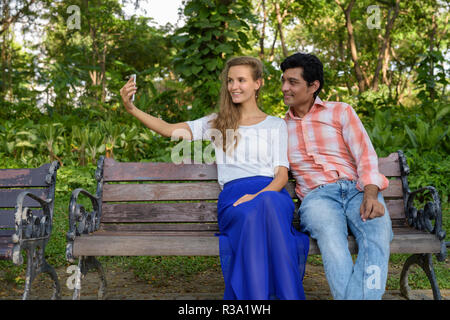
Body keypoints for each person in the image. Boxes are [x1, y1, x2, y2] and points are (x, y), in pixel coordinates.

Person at [119, 56, 309, 300]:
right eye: (230, 81)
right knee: (255, 213)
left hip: (271, 193)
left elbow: (281, 176)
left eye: (241, 80)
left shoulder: (275, 125)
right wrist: (131, 108)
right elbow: (168, 129)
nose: (234, 86)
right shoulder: (216, 122)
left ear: (257, 83)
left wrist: (258, 195)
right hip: (235, 200)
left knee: (267, 203)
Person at [280, 52, 393, 300]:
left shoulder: (341, 112)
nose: (285, 88)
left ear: (313, 86)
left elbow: (365, 154)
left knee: (378, 234)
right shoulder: (278, 128)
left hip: (357, 190)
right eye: (284, 81)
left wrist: (371, 194)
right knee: (332, 241)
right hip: (317, 198)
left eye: (293, 82)